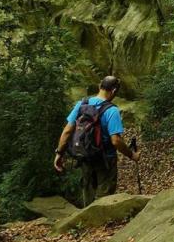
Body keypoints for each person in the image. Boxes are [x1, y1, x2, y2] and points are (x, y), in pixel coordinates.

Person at [53, 76, 140, 206]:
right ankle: (100, 223)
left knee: (88, 193)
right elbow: (116, 140)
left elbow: (67, 132)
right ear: (114, 90)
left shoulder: (82, 104)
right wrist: (132, 155)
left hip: (85, 155)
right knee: (104, 196)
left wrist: (59, 153)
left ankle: (87, 221)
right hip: (106, 159)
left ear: (100, 86)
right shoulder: (112, 110)